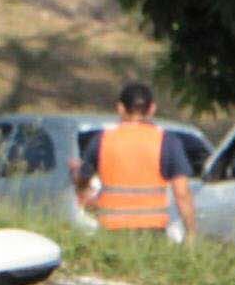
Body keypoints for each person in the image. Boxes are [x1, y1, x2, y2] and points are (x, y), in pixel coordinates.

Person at [78, 82, 195, 237]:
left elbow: (83, 181)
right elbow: (182, 193)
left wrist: (86, 197)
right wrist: (191, 233)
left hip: (111, 230)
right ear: (152, 109)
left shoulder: (102, 140)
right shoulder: (167, 141)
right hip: (152, 232)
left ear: (120, 108)